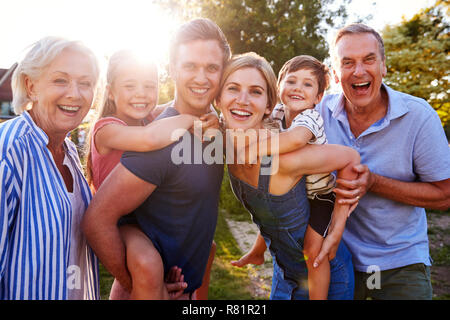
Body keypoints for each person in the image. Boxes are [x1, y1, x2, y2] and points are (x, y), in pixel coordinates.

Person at [82, 18, 231, 299]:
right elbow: (97, 221)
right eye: (190, 66)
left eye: (212, 67)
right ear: (173, 69)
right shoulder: (160, 139)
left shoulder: (210, 129)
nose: (201, 78)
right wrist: (142, 285)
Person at [316, 23, 450, 300]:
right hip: (338, 257)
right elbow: (268, 123)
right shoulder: (319, 112)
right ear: (335, 75)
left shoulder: (418, 117)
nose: (359, 71)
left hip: (400, 262)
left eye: (369, 59)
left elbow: (445, 196)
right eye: (348, 62)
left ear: (383, 66)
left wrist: (374, 182)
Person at [217, 52, 360, 300]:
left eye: (255, 92)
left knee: (313, 248)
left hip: (321, 198)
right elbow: (271, 211)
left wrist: (338, 223)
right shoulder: (272, 121)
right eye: (291, 81)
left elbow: (345, 155)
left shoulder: (305, 124)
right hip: (285, 276)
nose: (242, 100)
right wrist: (258, 249)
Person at [0, 37, 101, 299]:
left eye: (86, 83)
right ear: (31, 86)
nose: (75, 94)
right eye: (60, 80)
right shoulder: (10, 149)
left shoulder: (67, 151)